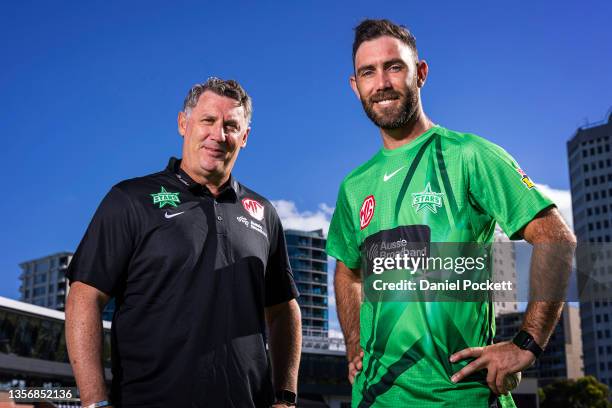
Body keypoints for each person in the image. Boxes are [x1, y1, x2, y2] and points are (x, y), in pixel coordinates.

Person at [326, 19, 576, 407]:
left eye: (394, 67)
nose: (382, 82)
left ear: (420, 74)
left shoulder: (470, 156)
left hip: (462, 396)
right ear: (355, 86)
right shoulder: (354, 186)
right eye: (367, 72)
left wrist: (527, 343)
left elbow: (555, 238)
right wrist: (354, 344)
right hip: (375, 399)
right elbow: (348, 270)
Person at [65, 77, 302, 408]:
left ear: (244, 137)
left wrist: (285, 396)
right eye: (208, 120)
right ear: (183, 123)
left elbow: (283, 309)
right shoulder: (130, 199)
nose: (218, 135)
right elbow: (84, 297)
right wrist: (94, 402)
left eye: (231, 126)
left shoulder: (264, 213)